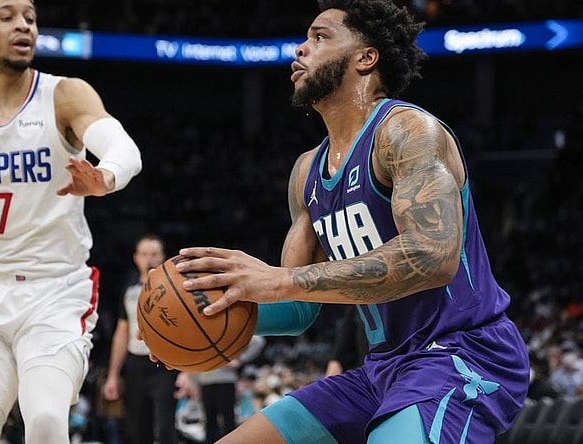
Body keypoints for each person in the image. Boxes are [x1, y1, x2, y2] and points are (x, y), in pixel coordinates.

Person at [155, 1, 530, 442]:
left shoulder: (406, 132)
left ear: (365, 58)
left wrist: (280, 280)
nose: (300, 49)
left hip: (460, 352)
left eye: (319, 37)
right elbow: (297, 307)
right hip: (381, 369)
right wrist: (204, 310)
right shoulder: (306, 172)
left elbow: (432, 256)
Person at [0, 0, 142, 442]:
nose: (24, 26)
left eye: (30, 18)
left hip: (55, 292)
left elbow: (124, 148)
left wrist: (106, 177)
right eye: (7, 16)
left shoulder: (64, 95)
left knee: (46, 422)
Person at [102, 234, 180, 444]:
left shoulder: (176, 289)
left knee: (165, 427)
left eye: (154, 254)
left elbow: (188, 331)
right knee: (136, 429)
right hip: (135, 363)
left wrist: (188, 373)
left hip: (166, 363)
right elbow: (121, 333)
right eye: (144, 254)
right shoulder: (129, 291)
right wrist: (113, 375)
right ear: (136, 258)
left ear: (163, 257)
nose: (149, 259)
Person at [192, 335, 266, 443]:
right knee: (209, 421)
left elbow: (258, 341)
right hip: (205, 381)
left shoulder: (226, 331)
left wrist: (240, 359)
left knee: (228, 419)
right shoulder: (200, 334)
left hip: (225, 380)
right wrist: (195, 381)